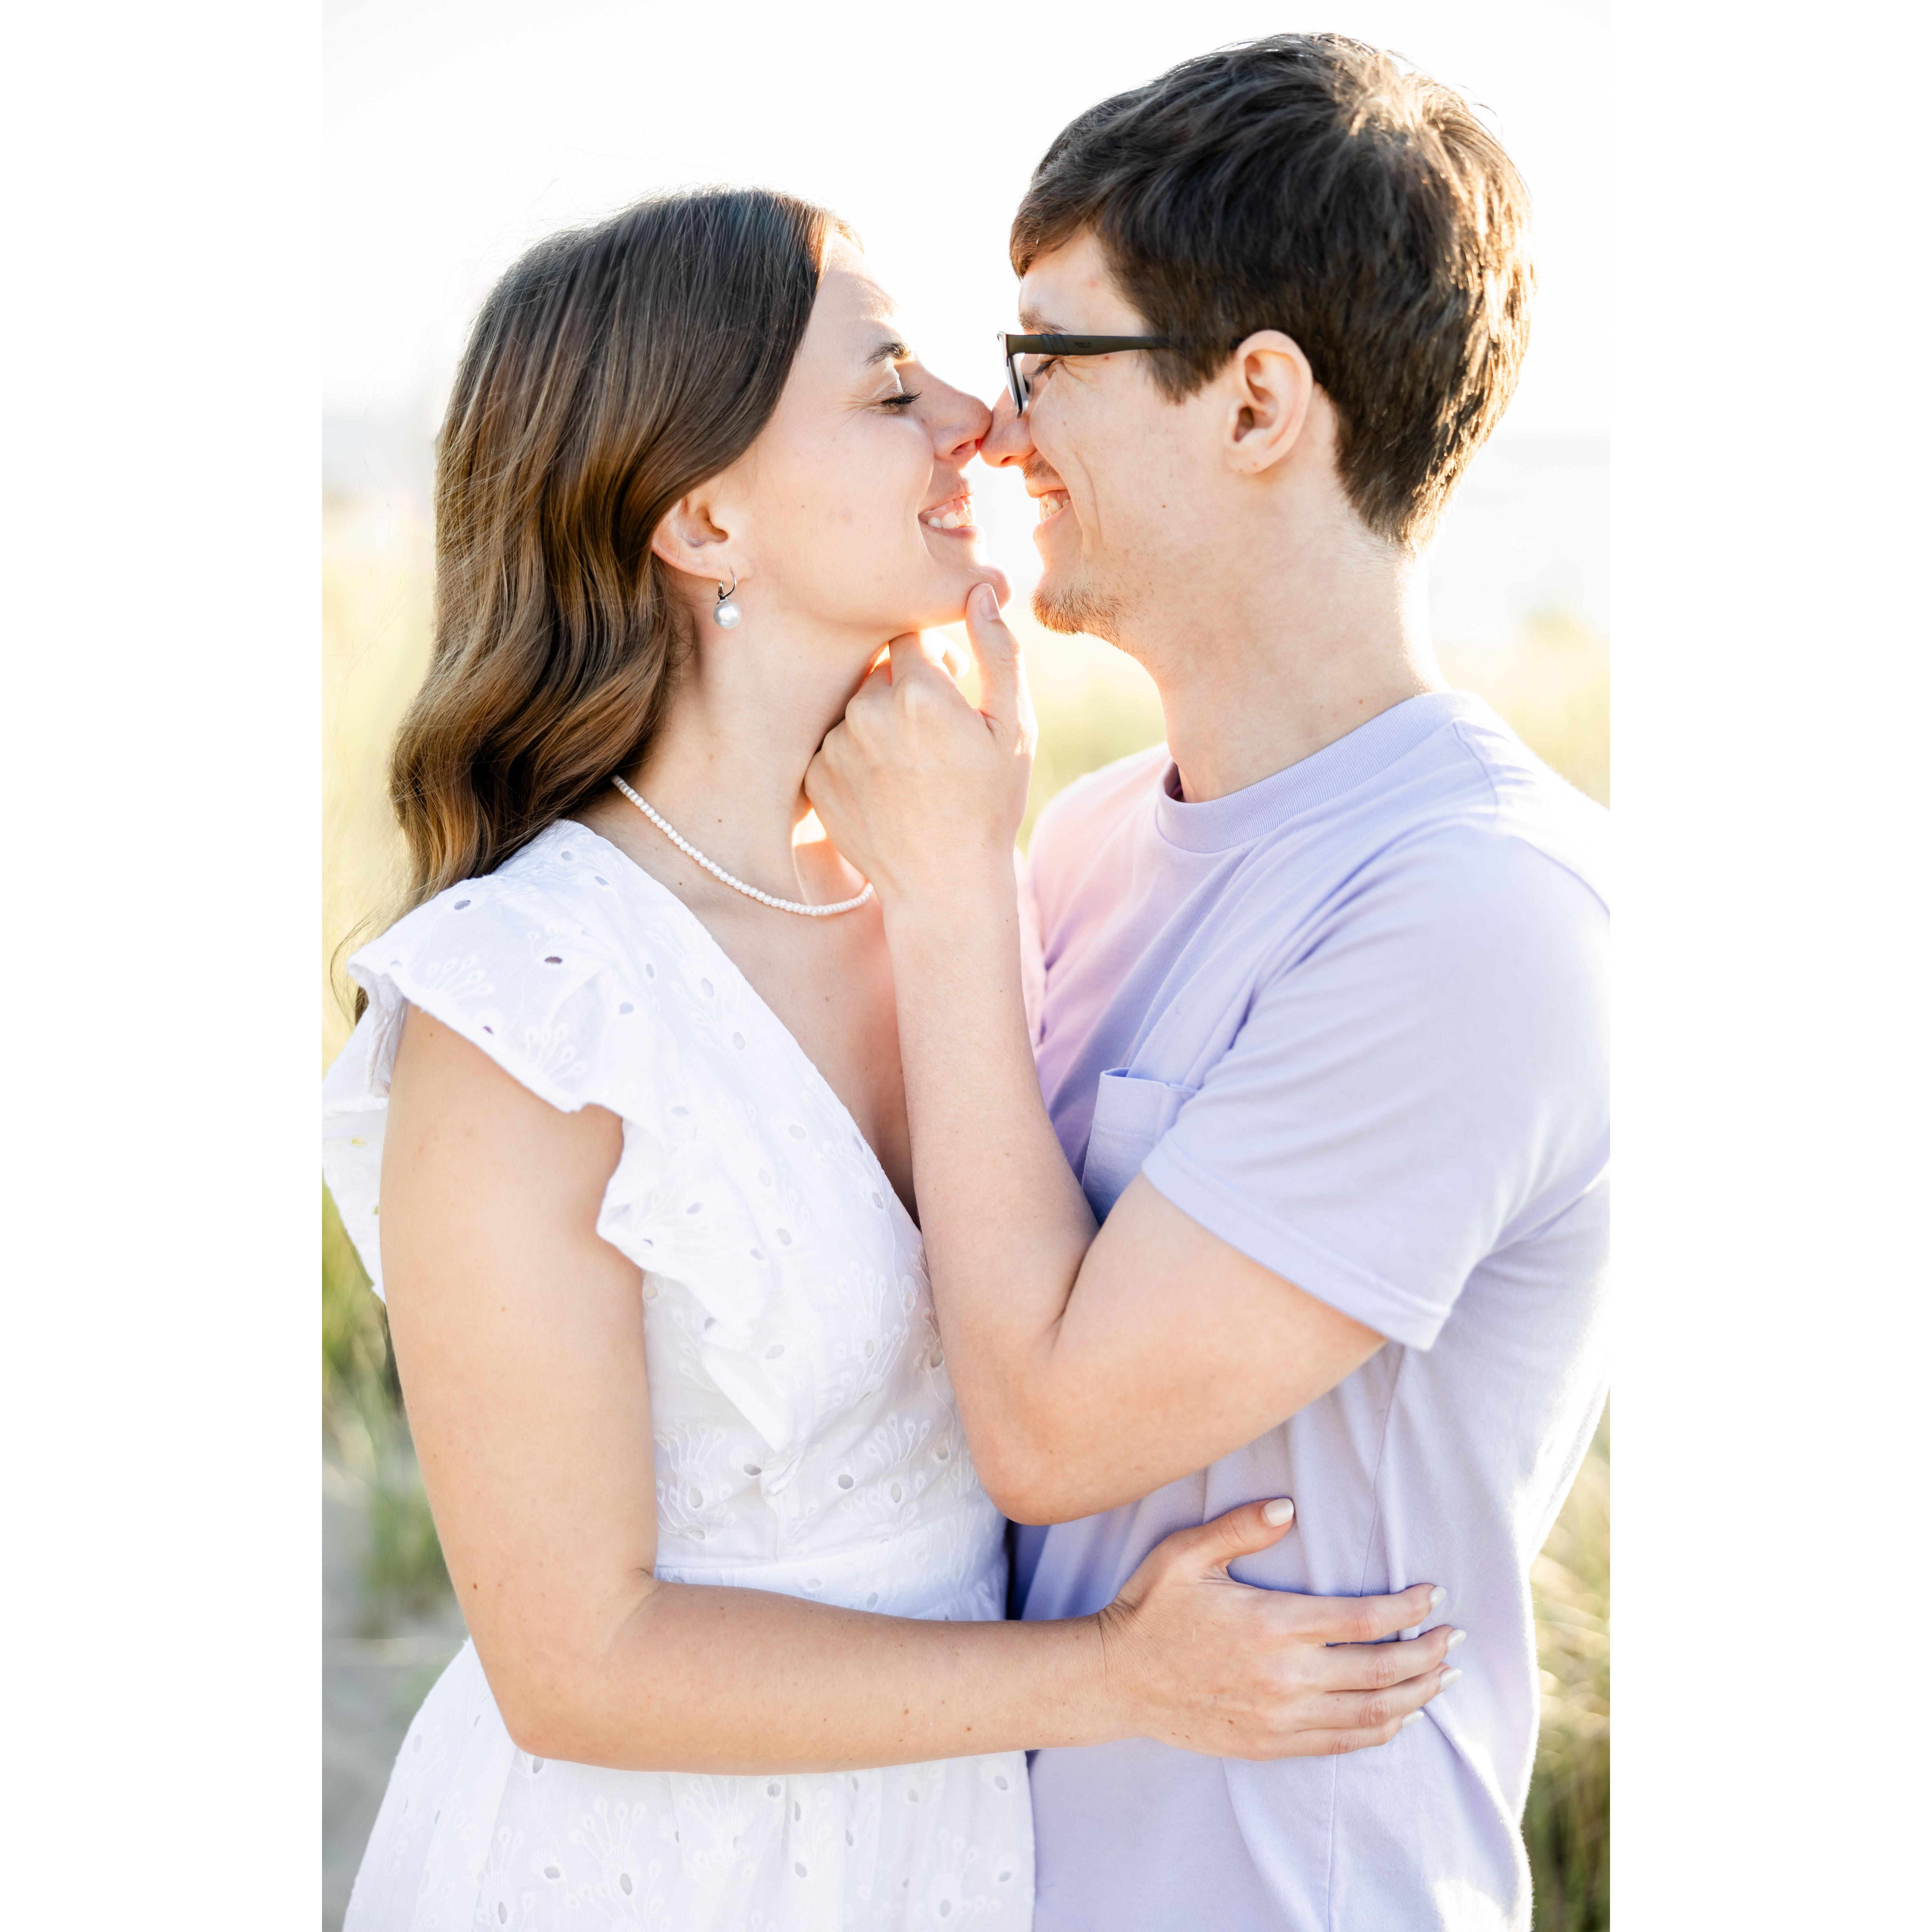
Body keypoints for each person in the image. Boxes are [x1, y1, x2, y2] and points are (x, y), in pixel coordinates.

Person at [321, 186, 1456, 1931]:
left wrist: (962, 887)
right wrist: (1118, 1680)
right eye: (889, 390)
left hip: (945, 1859)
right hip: (643, 1873)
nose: (982, 426)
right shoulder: (524, 1001)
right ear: (705, 518)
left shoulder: (957, 884)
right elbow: (577, 1662)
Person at [804, 35, 1609, 1932]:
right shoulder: (1083, 838)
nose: (995, 435)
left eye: (1045, 361)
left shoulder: (1484, 917)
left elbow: (1054, 1429)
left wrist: (941, 900)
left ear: (1256, 402)